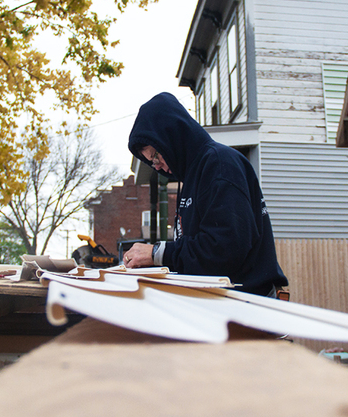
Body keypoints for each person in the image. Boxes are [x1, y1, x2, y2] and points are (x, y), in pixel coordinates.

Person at [122, 92, 288, 297]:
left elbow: (224, 249)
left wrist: (158, 254)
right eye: (151, 163)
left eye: (156, 156)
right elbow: (196, 251)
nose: (158, 167)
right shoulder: (193, 176)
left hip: (250, 305)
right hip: (224, 304)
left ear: (172, 136)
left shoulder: (219, 165)